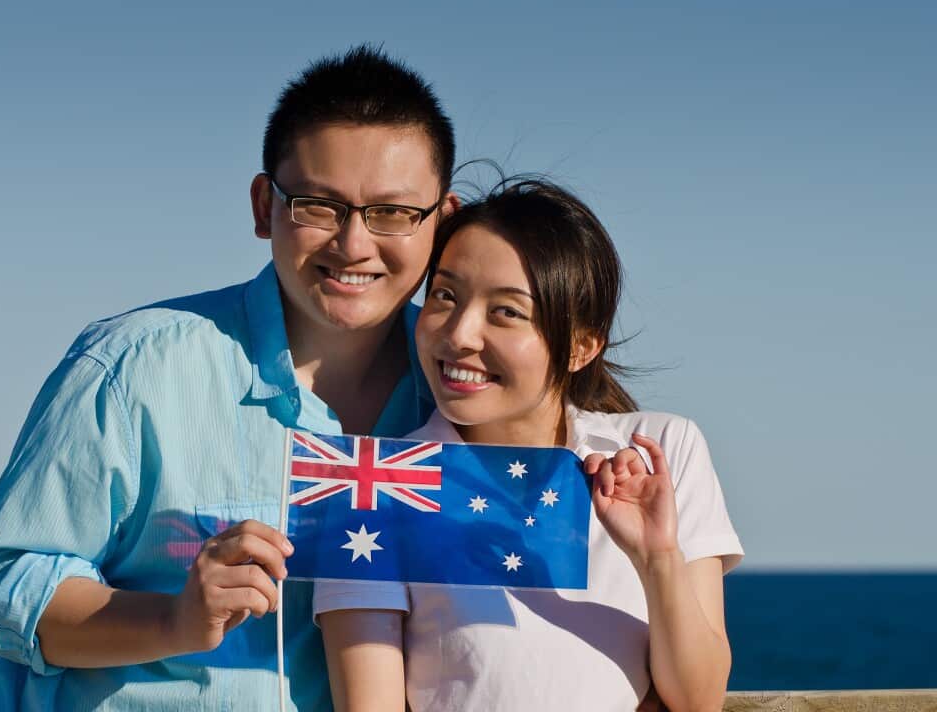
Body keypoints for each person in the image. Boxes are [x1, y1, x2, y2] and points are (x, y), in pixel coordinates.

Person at [0, 45, 459, 711]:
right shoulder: (132, 367)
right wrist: (173, 621)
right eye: (317, 205)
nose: (353, 244)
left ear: (443, 222)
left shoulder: (473, 396)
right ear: (264, 206)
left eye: (392, 212)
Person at [316, 179, 744, 712]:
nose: (460, 334)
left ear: (581, 345)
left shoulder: (661, 449)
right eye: (445, 296)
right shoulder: (373, 486)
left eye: (507, 312)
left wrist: (658, 559)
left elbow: (699, 699)